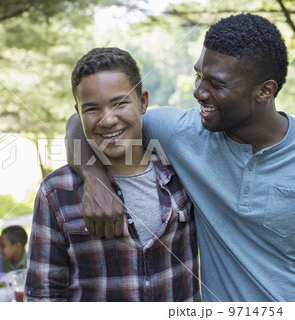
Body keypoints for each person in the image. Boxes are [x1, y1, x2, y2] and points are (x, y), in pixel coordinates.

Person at [66, 14, 294, 302]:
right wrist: (94, 179)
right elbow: (79, 123)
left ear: (265, 90)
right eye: (199, 76)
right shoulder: (182, 133)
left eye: (216, 84)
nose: (198, 92)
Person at [26, 47, 199, 302]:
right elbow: (43, 295)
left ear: (143, 102)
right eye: (92, 109)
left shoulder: (182, 173)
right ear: (78, 112)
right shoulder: (56, 192)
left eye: (119, 103)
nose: (107, 120)